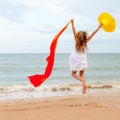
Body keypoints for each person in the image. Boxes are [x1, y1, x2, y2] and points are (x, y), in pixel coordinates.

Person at [69, 19, 102, 93]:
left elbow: (73, 31)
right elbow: (93, 34)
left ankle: (82, 81)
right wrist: (99, 27)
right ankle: (84, 87)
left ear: (78, 37)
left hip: (75, 58)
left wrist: (72, 23)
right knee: (81, 74)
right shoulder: (85, 42)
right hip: (82, 59)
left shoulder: (76, 41)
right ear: (84, 37)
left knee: (73, 74)